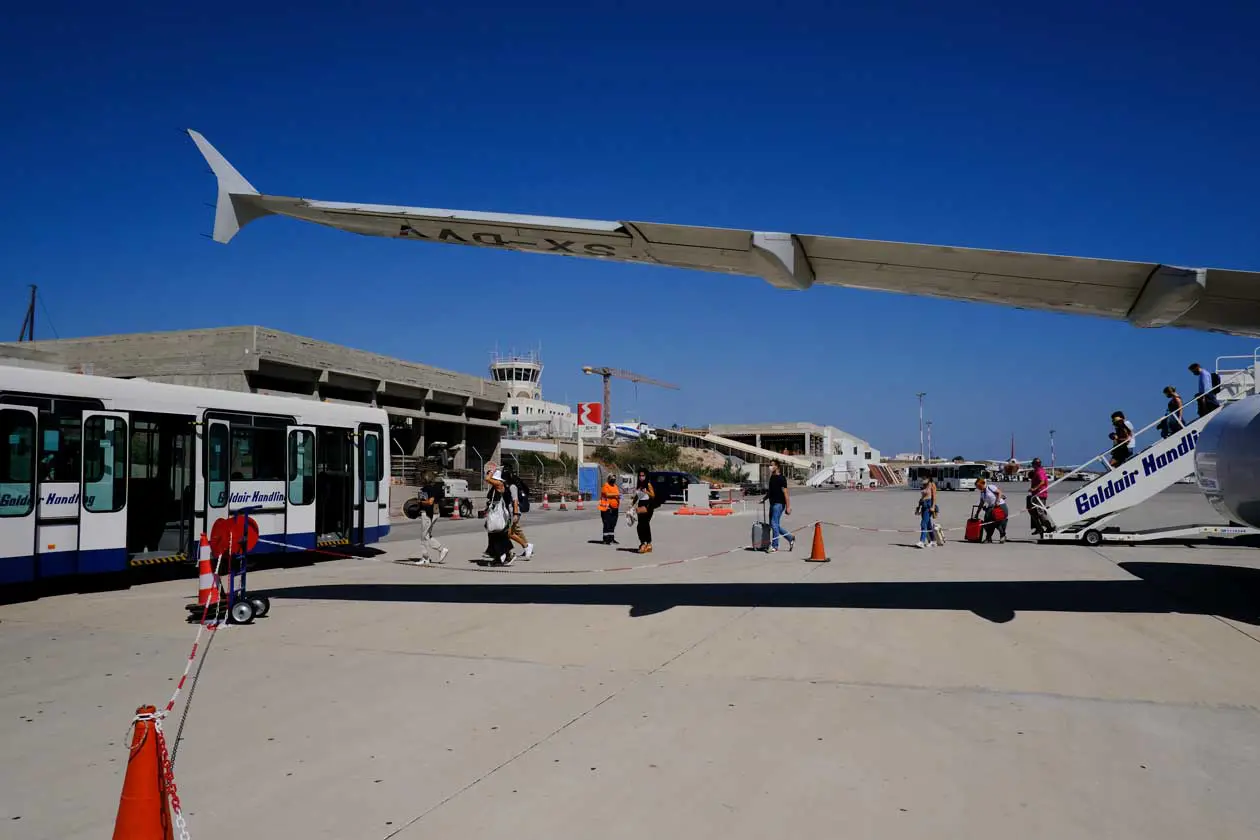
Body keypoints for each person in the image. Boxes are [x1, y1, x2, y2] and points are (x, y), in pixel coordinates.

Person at [412, 470, 449, 565]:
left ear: (425, 479)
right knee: (427, 535)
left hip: (428, 513)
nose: (420, 480)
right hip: (436, 512)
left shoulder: (427, 489)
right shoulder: (437, 487)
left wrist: (419, 502)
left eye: (422, 478)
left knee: (423, 537)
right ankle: (441, 550)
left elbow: (430, 502)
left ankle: (425, 558)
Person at [482, 462, 515, 565]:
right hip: (495, 512)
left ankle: (507, 555)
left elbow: (487, 478)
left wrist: (492, 470)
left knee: (498, 534)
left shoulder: (499, 484)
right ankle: (500, 556)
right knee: (495, 534)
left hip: (499, 514)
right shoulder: (497, 485)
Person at [501, 465, 535, 560]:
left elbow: (515, 501)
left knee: (509, 533)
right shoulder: (507, 486)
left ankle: (527, 546)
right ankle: (509, 551)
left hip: (514, 512)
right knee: (516, 531)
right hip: (509, 512)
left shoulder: (512, 487)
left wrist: (515, 514)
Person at [762, 462, 795, 552]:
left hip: (779, 504)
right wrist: (764, 498)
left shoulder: (781, 478)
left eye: (772, 465)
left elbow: (785, 493)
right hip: (772, 503)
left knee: (774, 524)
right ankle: (790, 537)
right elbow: (770, 491)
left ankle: (775, 546)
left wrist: (788, 507)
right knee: (774, 525)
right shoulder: (772, 478)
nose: (770, 466)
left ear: (777, 467)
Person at [975, 477, 1008, 543]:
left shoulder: (990, 487)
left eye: (978, 486)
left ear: (982, 484)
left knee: (998, 523)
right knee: (986, 523)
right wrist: (977, 513)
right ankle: (989, 538)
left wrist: (998, 501)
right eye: (977, 487)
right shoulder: (982, 493)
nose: (978, 488)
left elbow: (999, 492)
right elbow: (981, 503)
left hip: (1000, 506)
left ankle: (1002, 536)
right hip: (991, 508)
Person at [1026, 457, 1053, 535]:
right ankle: (1039, 528)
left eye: (1033, 464)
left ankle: (1049, 527)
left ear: (1035, 464)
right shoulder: (1037, 471)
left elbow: (1042, 482)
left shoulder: (1039, 471)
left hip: (1040, 495)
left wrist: (1034, 488)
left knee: (1040, 512)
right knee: (1032, 511)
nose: (1032, 465)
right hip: (1035, 495)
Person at [633, 469, 657, 553]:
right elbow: (637, 496)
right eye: (640, 475)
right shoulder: (639, 485)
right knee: (640, 525)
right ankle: (644, 543)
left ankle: (646, 543)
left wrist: (646, 491)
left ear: (646, 476)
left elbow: (653, 495)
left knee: (644, 524)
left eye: (643, 475)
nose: (641, 477)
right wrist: (632, 504)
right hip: (640, 505)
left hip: (648, 505)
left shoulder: (648, 484)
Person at [915, 473, 937, 548]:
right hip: (923, 504)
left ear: (928, 478)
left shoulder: (932, 485)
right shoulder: (924, 486)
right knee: (928, 524)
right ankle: (933, 541)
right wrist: (918, 507)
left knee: (923, 523)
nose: (923, 480)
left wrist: (933, 507)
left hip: (929, 505)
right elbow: (922, 497)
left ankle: (922, 541)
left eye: (924, 479)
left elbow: (934, 497)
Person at [598, 474, 621, 544]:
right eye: (612, 478)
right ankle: (606, 539)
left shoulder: (615, 486)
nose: (613, 480)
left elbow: (617, 494)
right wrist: (616, 495)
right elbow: (607, 494)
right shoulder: (606, 485)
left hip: (615, 508)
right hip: (607, 507)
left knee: (613, 523)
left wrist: (618, 496)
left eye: (614, 478)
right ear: (608, 479)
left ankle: (611, 538)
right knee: (607, 523)